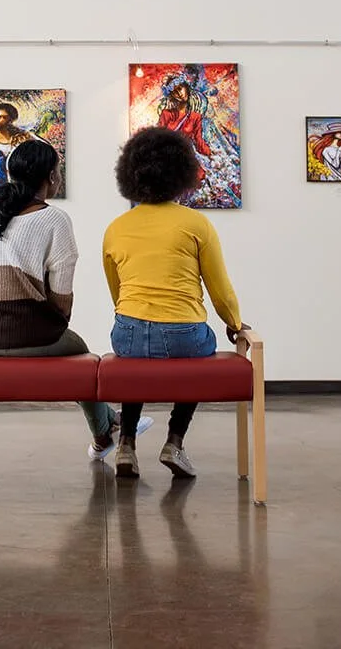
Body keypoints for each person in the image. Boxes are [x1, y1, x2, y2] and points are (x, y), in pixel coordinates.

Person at [0, 139, 148, 460]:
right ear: (51, 176)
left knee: (76, 350)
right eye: (59, 170)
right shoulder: (54, 219)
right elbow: (62, 292)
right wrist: (55, 325)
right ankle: (104, 431)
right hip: (27, 335)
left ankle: (109, 426)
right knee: (78, 349)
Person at [102, 127, 250, 480]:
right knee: (199, 355)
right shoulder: (196, 224)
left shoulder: (116, 228)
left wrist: (135, 320)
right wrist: (235, 323)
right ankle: (175, 442)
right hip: (184, 333)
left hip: (128, 331)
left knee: (135, 361)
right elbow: (221, 291)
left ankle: (125, 445)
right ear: (181, 172)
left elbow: (117, 292)